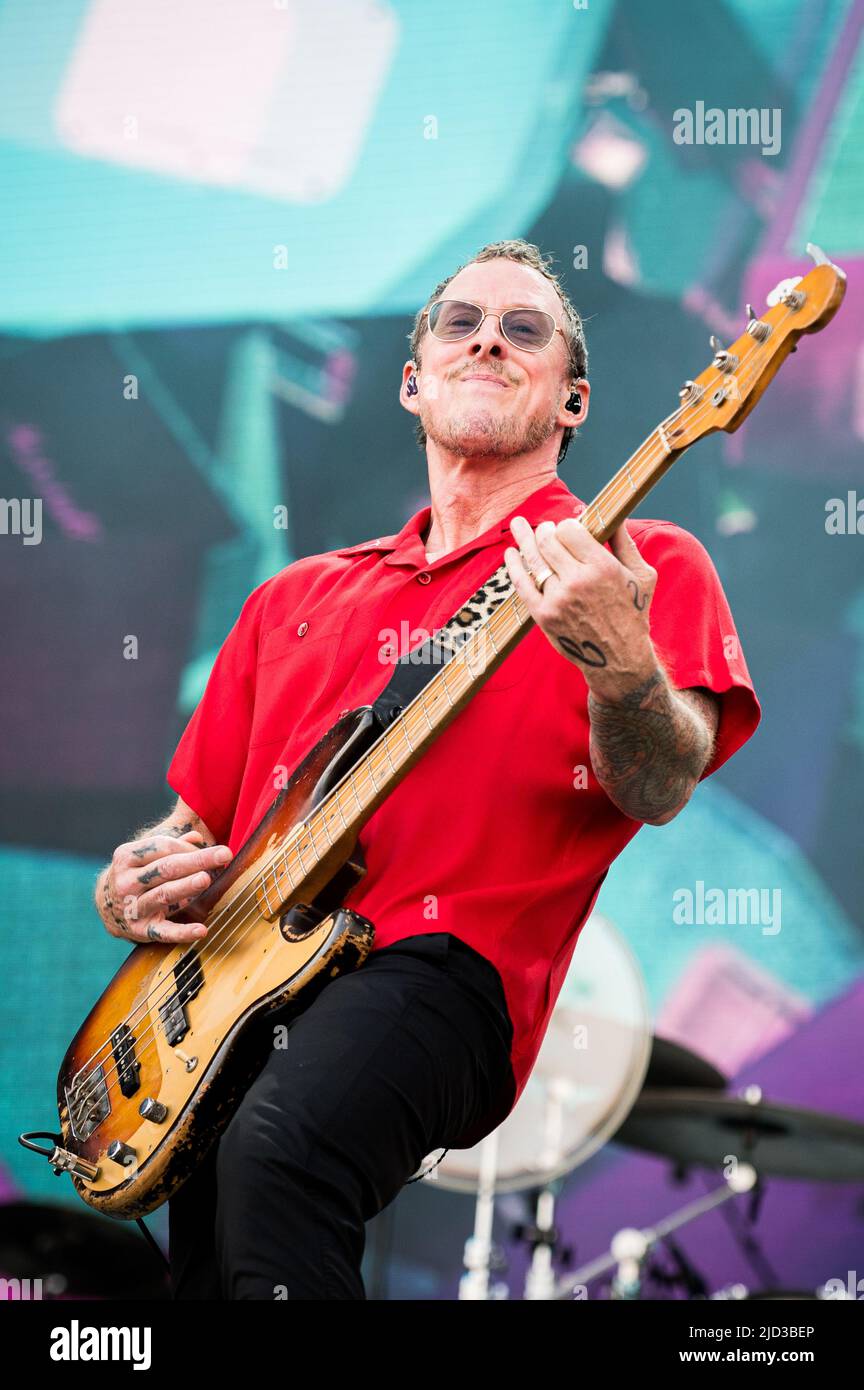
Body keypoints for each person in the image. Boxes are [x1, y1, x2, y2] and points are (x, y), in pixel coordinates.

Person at [94, 239, 761, 1299]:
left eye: (526, 329)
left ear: (573, 400)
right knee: (217, 1242)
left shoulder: (635, 562)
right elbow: (193, 832)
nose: (490, 336)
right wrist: (133, 879)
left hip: (445, 973)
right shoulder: (294, 598)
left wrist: (619, 659)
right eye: (461, 322)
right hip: (235, 984)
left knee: (282, 1146)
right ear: (414, 382)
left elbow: (660, 782)